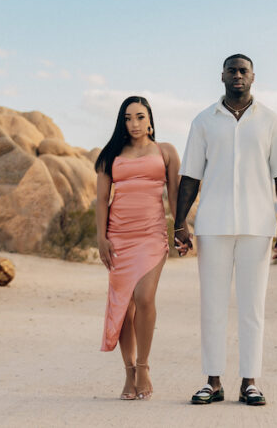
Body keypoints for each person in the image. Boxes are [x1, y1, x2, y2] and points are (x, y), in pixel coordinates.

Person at [174, 54, 277, 407]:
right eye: (232, 70)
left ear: (253, 77)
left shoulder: (272, 122)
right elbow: (190, 177)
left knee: (252, 306)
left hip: (258, 227)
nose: (237, 75)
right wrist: (180, 223)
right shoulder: (203, 122)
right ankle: (212, 382)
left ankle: (249, 382)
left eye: (244, 70)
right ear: (221, 76)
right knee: (211, 305)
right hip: (212, 225)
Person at [95, 96, 180, 401]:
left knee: (144, 297)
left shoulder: (166, 152)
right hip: (119, 237)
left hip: (151, 235)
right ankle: (129, 372)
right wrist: (101, 239)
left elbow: (174, 196)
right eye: (128, 118)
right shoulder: (110, 156)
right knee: (123, 309)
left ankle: (143, 366)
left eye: (140, 117)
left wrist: (182, 228)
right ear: (122, 121)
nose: (134, 124)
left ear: (150, 120)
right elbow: (101, 200)